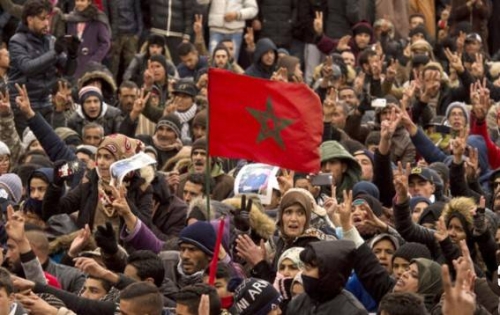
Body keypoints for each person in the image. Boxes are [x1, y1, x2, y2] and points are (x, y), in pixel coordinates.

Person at [8, 0, 78, 135]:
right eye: (42, 19)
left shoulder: (50, 40)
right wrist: (55, 52)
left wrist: (73, 55)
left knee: (49, 147)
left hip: (46, 103)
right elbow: (28, 67)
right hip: (23, 104)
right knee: (29, 149)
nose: (47, 23)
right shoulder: (16, 41)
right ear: (29, 19)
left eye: (48, 18)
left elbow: (68, 72)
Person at [287, 240, 368, 315]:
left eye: (308, 269)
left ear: (326, 272)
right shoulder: (297, 303)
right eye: (304, 267)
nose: (303, 273)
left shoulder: (353, 311)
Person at [65, 0, 111, 78]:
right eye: (77, 0)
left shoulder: (97, 18)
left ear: (89, 2)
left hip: (91, 69)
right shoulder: (71, 19)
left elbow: (105, 43)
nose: (79, 3)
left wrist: (94, 61)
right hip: (74, 68)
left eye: (82, 1)